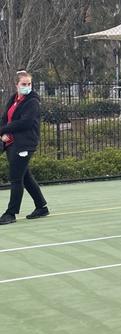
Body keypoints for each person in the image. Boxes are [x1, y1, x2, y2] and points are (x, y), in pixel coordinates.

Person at [0, 70, 49, 225]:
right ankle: (41, 207)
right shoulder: (13, 99)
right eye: (23, 84)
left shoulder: (32, 102)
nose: (27, 87)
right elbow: (5, 118)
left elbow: (25, 123)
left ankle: (11, 213)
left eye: (29, 84)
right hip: (11, 143)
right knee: (25, 176)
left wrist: (5, 130)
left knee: (16, 178)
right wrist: (2, 133)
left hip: (25, 144)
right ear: (17, 84)